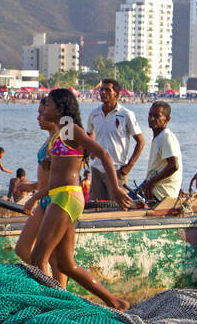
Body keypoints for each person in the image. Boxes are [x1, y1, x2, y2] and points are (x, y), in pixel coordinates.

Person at [28, 87, 132, 309]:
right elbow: (66, 163)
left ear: (61, 108)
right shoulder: (62, 134)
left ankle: (50, 306)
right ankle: (115, 302)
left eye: (48, 104)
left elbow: (103, 153)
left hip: (66, 197)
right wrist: (50, 163)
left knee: (38, 258)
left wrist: (114, 187)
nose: (43, 108)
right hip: (61, 197)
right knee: (66, 264)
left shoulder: (72, 129)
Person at [84, 78, 145, 202]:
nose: (103, 93)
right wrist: (91, 151)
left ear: (116, 94)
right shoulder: (94, 114)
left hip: (117, 170)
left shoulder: (126, 114)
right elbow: (89, 134)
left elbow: (140, 141)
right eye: (101, 90)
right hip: (97, 170)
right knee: (96, 208)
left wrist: (129, 166)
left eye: (107, 90)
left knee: (119, 207)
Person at [135, 101, 182, 205]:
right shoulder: (158, 137)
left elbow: (174, 165)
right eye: (150, 115)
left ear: (167, 119)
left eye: (156, 116)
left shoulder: (166, 136)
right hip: (152, 189)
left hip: (161, 194)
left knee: (122, 203)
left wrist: (152, 182)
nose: (151, 119)